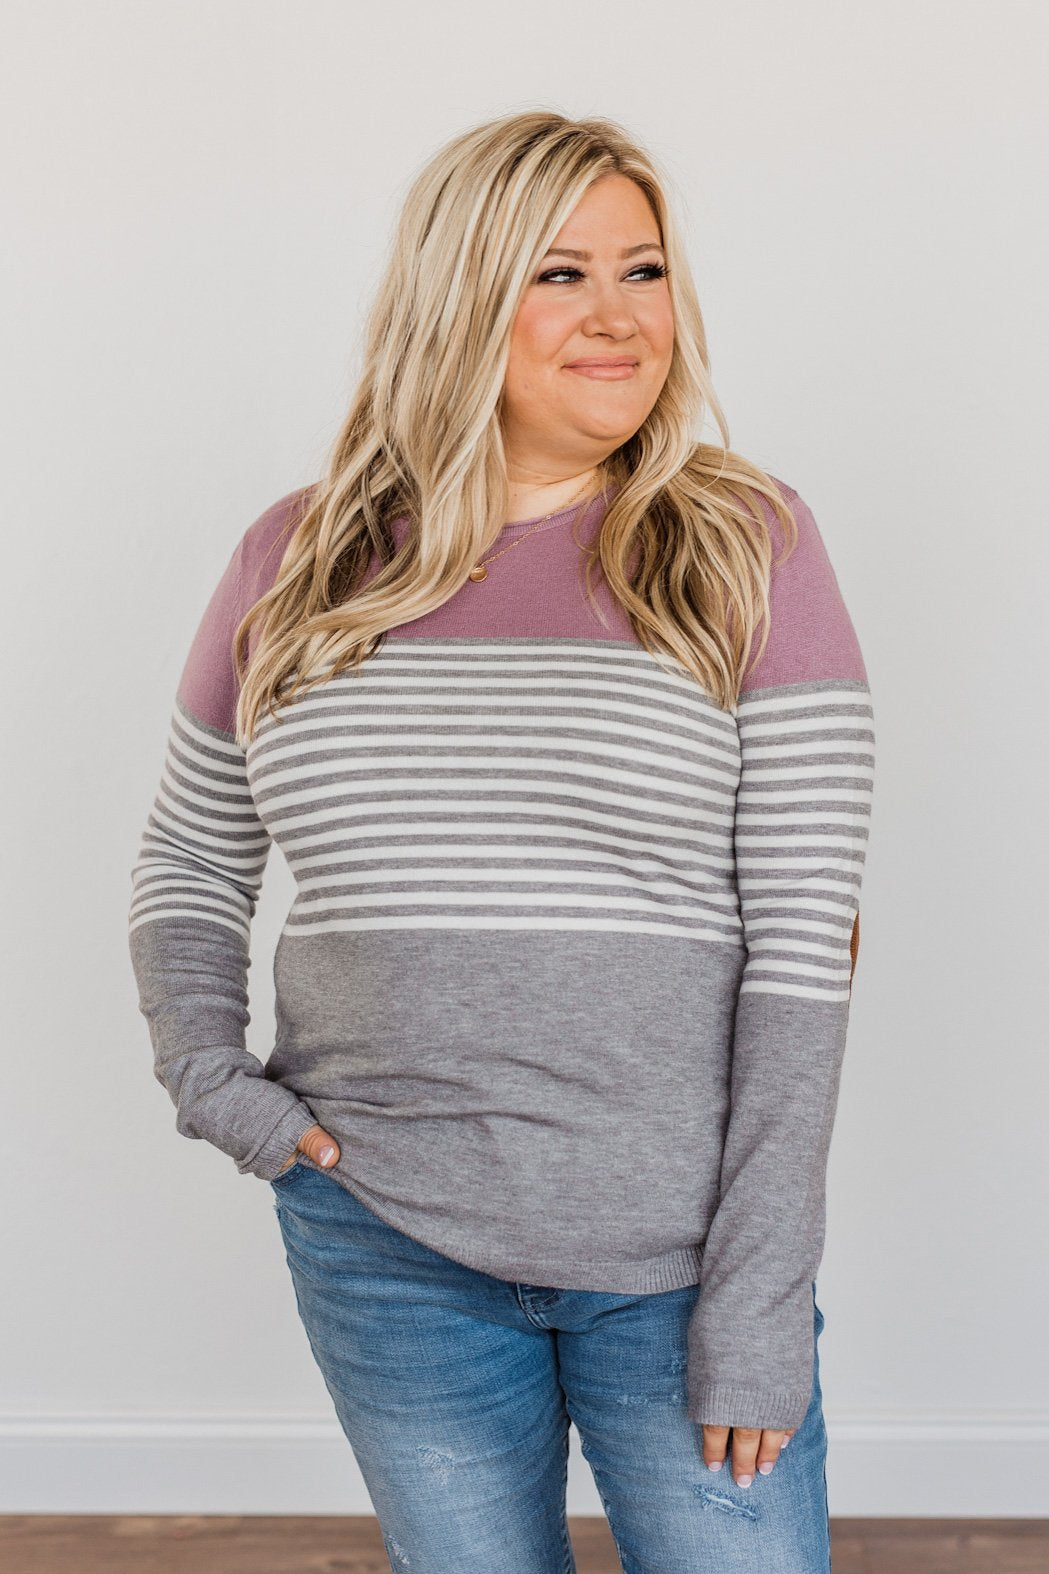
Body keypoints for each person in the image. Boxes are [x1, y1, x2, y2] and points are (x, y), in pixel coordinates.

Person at [127, 109, 875, 1572]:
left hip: (677, 1254)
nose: (619, 316)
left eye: (643, 271)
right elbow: (191, 858)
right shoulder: (296, 557)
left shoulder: (744, 541)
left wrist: (760, 1288)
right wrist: (212, 1082)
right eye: (560, 273)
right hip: (380, 1232)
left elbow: (806, 941)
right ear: (459, 293)